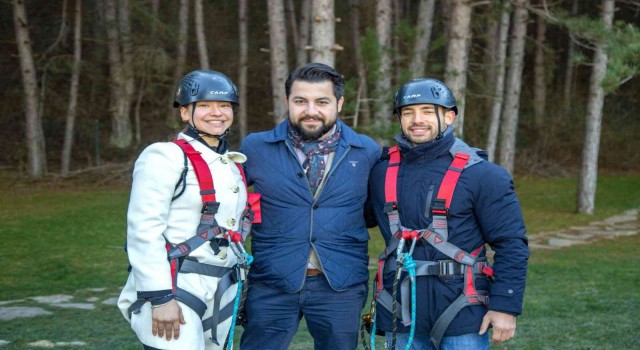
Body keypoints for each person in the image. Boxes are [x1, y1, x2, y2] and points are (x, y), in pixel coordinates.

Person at [365, 78, 529, 350]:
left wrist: (505, 306)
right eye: (408, 112)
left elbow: (511, 243)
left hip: (463, 311)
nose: (417, 119)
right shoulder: (380, 172)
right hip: (401, 311)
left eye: (428, 111)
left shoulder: (483, 175)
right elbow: (351, 218)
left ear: (449, 116)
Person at [238, 63, 381, 350]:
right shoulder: (255, 148)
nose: (311, 110)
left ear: (339, 104)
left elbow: (372, 212)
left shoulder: (368, 151)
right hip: (271, 281)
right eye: (301, 101)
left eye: (322, 102)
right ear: (287, 102)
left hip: (340, 284)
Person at [118, 70, 253, 350]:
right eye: (204, 105)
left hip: (221, 288)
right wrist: (160, 297)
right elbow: (143, 229)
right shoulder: (165, 156)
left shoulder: (233, 163)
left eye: (224, 106)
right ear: (184, 113)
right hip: (176, 285)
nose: (216, 113)